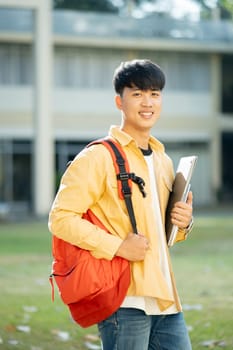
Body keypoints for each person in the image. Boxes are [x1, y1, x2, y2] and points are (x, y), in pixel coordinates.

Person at [48, 59, 193, 350]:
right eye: (137, 93)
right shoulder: (97, 157)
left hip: (165, 299)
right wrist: (118, 246)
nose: (147, 102)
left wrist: (184, 221)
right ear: (119, 101)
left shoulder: (163, 160)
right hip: (124, 300)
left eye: (154, 93)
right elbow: (60, 218)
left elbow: (165, 236)